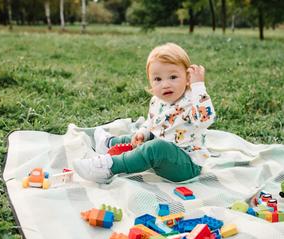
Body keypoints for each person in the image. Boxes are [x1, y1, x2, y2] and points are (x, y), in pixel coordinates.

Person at [72, 42, 216, 184]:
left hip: (186, 165)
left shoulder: (193, 100)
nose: (165, 84)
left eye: (173, 77)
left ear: (188, 78)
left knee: (155, 148)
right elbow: (151, 123)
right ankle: (109, 143)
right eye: (158, 79)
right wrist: (143, 132)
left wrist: (198, 86)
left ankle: (110, 167)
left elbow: (206, 119)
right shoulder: (157, 101)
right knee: (140, 138)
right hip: (163, 154)